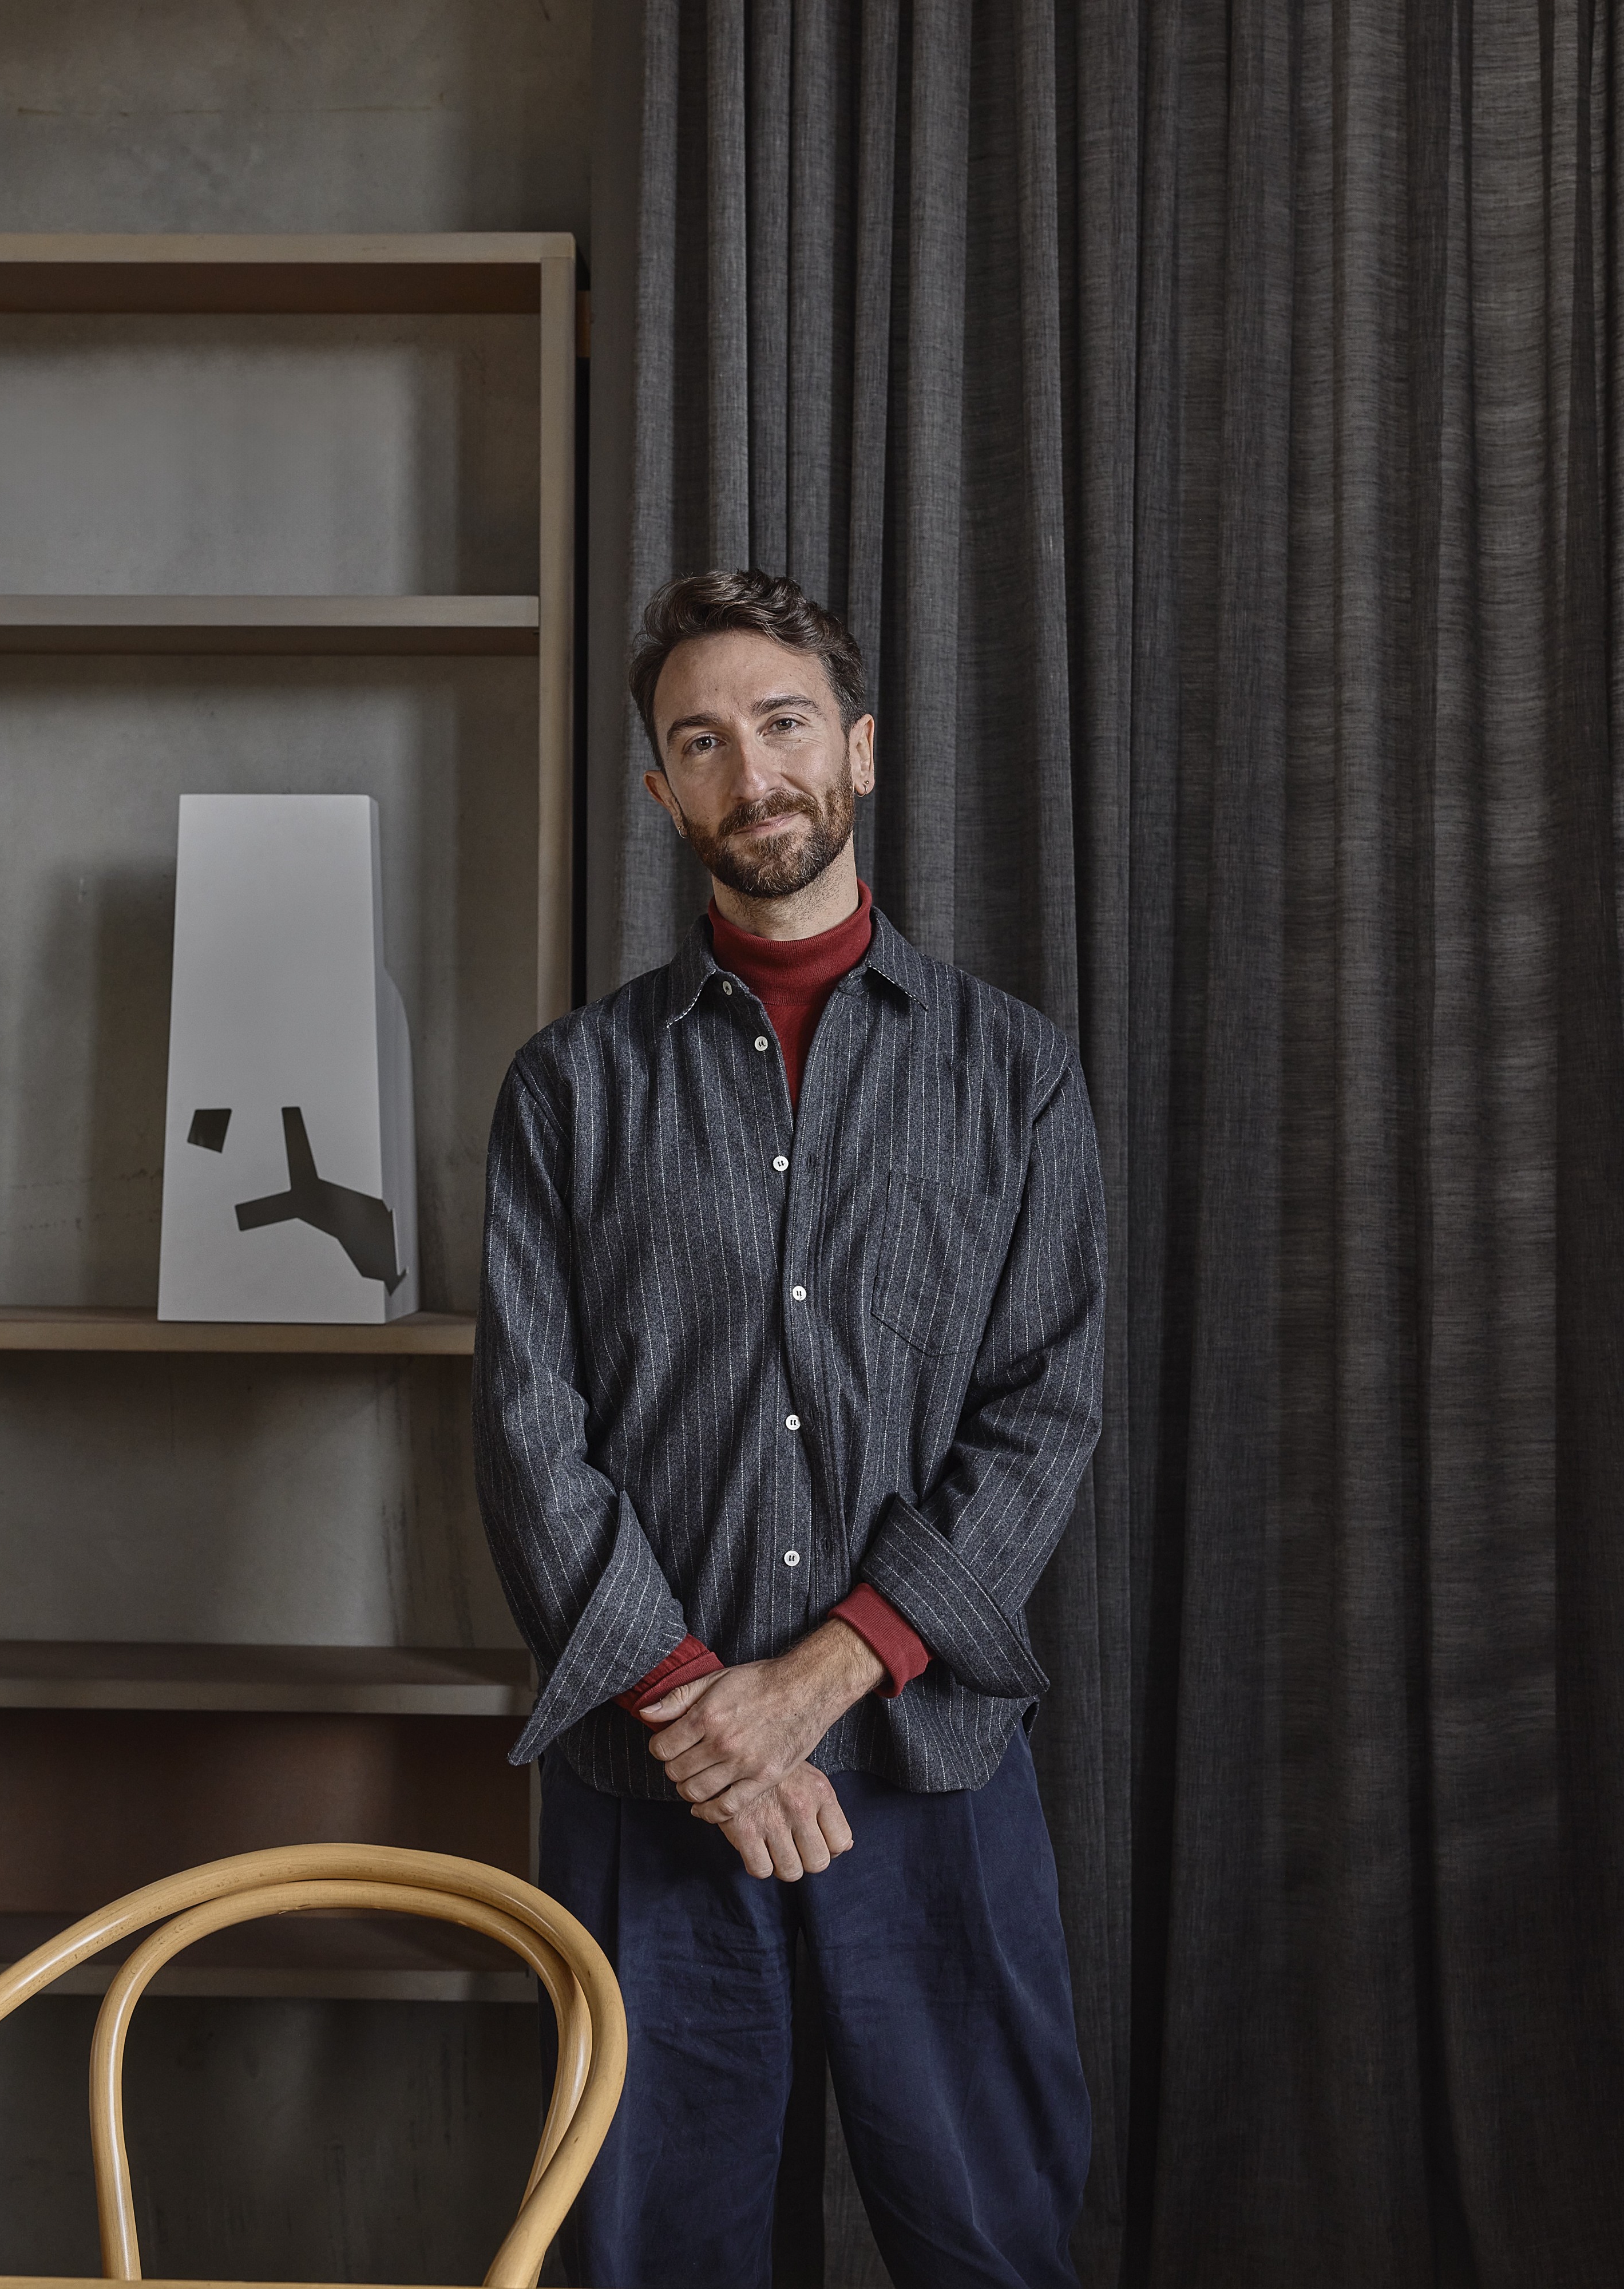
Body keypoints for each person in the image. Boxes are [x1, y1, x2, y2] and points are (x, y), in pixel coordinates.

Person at [473, 568, 1106, 2289]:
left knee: (991, 2245)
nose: (752, 773)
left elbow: (1044, 1414)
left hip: (928, 1764)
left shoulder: (1016, 1076)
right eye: (703, 742)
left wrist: (815, 1683)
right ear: (662, 789)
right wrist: (698, 1708)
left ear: (861, 750)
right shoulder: (570, 1090)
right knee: (655, 2254)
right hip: (653, 1783)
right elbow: (529, 1432)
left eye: (784, 724)